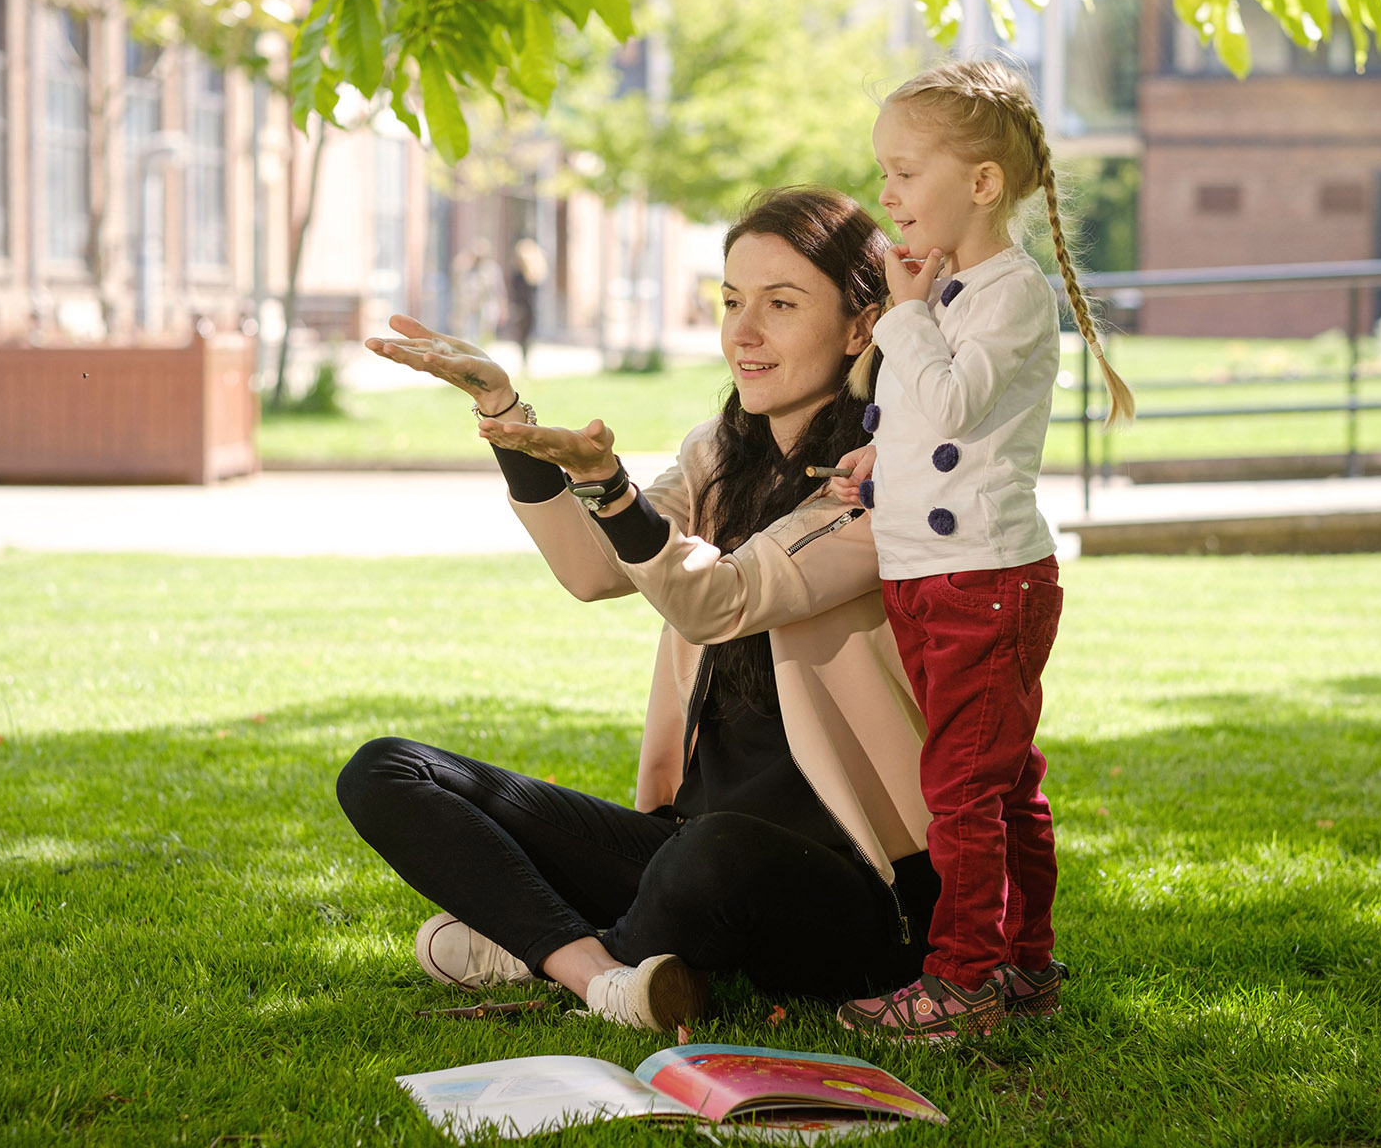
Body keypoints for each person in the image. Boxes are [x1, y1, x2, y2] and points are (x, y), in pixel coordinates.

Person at [339, 187, 941, 1034]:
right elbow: (593, 571)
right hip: (684, 846)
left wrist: (614, 490)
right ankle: (598, 972)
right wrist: (506, 414)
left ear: (859, 327)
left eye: (781, 304)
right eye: (732, 301)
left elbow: (718, 601)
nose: (744, 331)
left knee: (713, 855)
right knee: (388, 769)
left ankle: (538, 947)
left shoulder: (885, 480)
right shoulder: (717, 455)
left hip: (858, 885)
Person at [827, 57, 1134, 1041]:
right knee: (995, 774)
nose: (887, 192)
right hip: (932, 576)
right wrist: (879, 456)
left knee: (965, 783)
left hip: (982, 582)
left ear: (983, 183)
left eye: (906, 170)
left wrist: (906, 311)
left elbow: (958, 395)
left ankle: (964, 977)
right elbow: (935, 414)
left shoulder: (1007, 292)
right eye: (884, 170)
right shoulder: (952, 287)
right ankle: (1025, 961)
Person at [504, 237, 548, 366]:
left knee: (526, 336)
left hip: (528, 308)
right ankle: (524, 362)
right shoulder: (519, 274)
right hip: (522, 308)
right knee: (522, 337)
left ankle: (525, 362)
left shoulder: (531, 275)